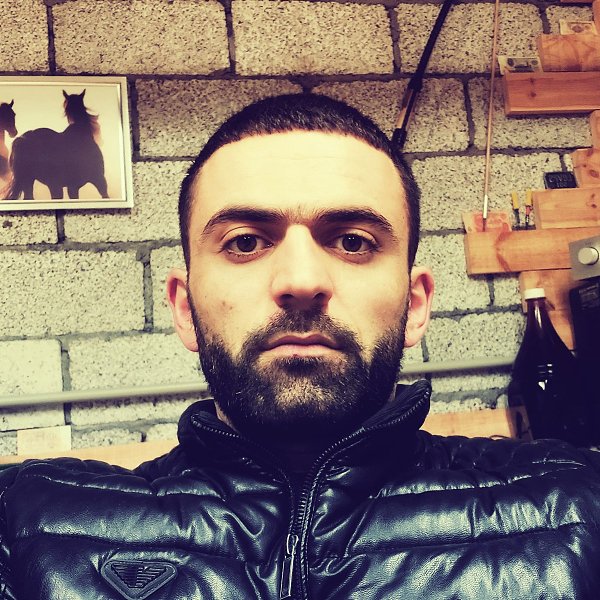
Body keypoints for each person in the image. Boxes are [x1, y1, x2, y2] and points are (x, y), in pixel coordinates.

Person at [1, 94, 600, 600]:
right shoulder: (27, 527)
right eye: (244, 242)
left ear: (416, 306)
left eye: (354, 241)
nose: (302, 280)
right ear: (185, 310)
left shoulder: (576, 510)